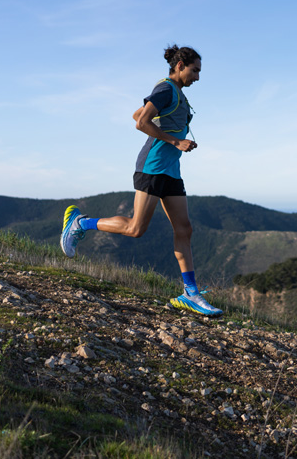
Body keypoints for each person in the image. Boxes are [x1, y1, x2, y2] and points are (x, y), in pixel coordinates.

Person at [60, 45, 222, 317]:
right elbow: (141, 123)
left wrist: (173, 138)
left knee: (185, 230)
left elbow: (139, 115)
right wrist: (174, 140)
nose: (197, 77)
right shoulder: (166, 88)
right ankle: (81, 224)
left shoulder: (176, 93)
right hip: (153, 167)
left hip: (170, 169)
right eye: (195, 71)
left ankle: (190, 294)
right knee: (136, 228)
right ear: (180, 65)